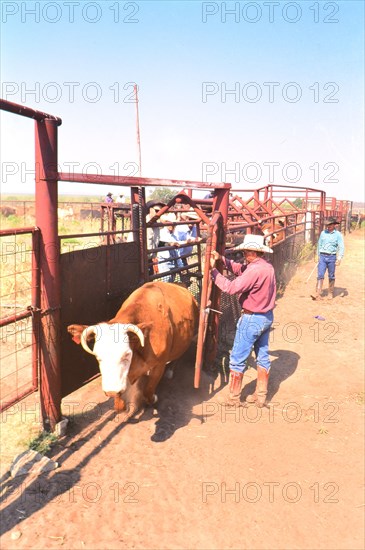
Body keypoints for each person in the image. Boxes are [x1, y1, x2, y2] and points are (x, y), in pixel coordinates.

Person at [210, 234, 276, 407]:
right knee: (262, 355)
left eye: (245, 252)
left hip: (251, 318)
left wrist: (213, 272)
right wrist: (222, 260)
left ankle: (233, 398)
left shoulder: (254, 270)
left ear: (251, 252)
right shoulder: (266, 267)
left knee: (238, 358)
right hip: (266, 317)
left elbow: (231, 288)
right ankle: (261, 396)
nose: (244, 255)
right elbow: (241, 270)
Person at [312, 217, 345, 300]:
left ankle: (330, 292)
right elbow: (319, 244)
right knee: (320, 274)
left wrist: (339, 258)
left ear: (334, 225)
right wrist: (317, 255)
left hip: (332, 257)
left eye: (330, 225)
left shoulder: (338, 235)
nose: (328, 226)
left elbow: (341, 247)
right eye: (327, 225)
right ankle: (318, 293)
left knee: (331, 275)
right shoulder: (323, 233)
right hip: (322, 256)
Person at [145, 200, 166, 274]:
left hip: (149, 260)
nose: (159, 214)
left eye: (161, 212)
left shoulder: (156, 225)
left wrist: (168, 244)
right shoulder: (143, 223)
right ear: (150, 210)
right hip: (138, 260)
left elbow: (155, 243)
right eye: (157, 211)